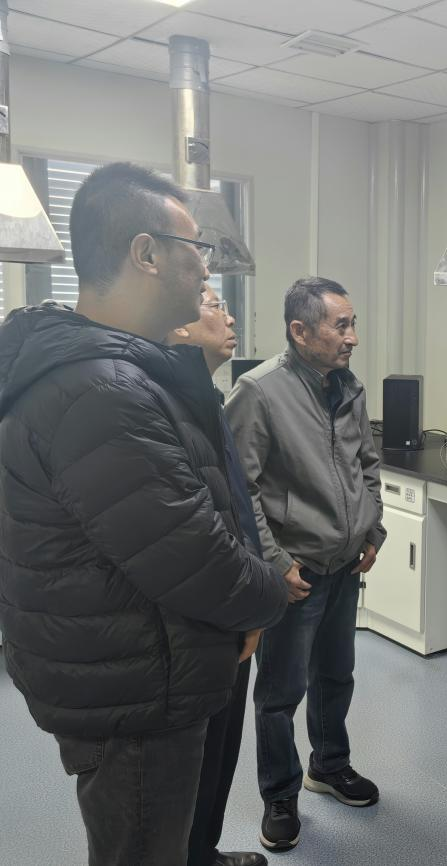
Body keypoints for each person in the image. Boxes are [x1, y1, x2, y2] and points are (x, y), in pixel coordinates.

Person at [0, 162, 287, 866]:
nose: (206, 268)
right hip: (133, 689)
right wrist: (270, 594)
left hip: (140, 664)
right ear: (146, 253)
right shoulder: (101, 392)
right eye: (196, 248)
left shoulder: (125, 373)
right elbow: (192, 555)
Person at [225, 276, 386, 853]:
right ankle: (280, 793)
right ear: (300, 331)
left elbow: (367, 463)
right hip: (297, 573)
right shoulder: (259, 391)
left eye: (353, 323)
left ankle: (330, 765)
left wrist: (373, 527)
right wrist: (274, 562)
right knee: (280, 692)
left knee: (336, 675)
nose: (353, 337)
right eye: (341, 325)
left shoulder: (348, 386)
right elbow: (238, 489)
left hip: (344, 565)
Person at [169, 288, 268, 866]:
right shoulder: (162, 402)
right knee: (186, 765)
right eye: (210, 302)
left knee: (218, 755)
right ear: (179, 324)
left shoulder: (207, 397)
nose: (230, 316)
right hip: (207, 617)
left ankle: (202, 852)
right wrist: (250, 601)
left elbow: (235, 506)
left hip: (233, 611)